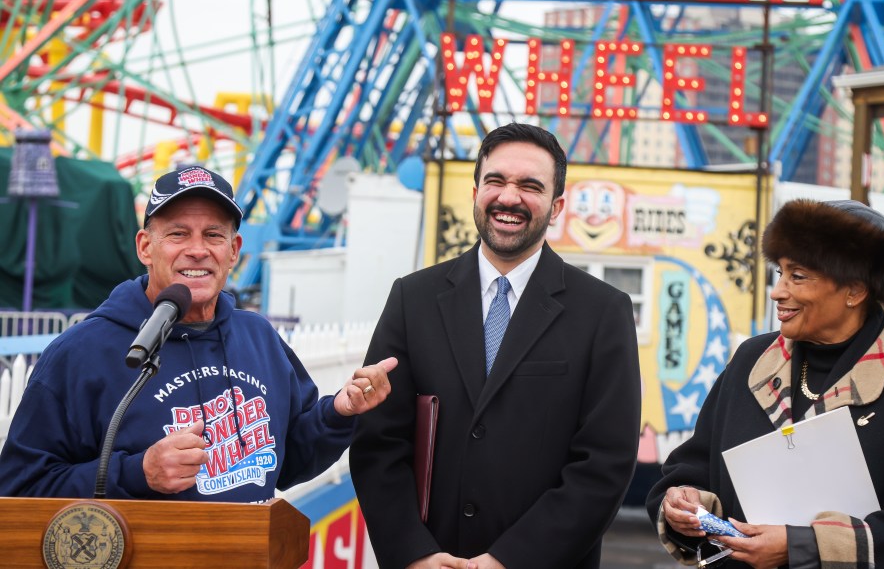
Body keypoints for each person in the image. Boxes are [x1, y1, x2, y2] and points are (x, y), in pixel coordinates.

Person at [0, 164, 397, 502]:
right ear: (145, 247)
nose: (197, 249)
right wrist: (138, 473)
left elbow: (290, 460)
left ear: (233, 250)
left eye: (213, 234)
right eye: (177, 234)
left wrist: (338, 413)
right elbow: (20, 487)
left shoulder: (258, 336)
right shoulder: (81, 352)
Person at [350, 123, 642, 569]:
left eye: (530, 186)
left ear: (556, 205)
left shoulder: (603, 312)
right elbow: (378, 444)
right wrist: (415, 554)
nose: (509, 198)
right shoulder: (413, 299)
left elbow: (604, 464)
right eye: (496, 181)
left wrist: (508, 560)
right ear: (475, 191)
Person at [647, 198, 884, 568]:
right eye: (780, 273)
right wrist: (684, 504)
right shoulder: (751, 362)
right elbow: (692, 468)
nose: (778, 291)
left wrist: (803, 546)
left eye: (798, 276)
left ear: (855, 291)